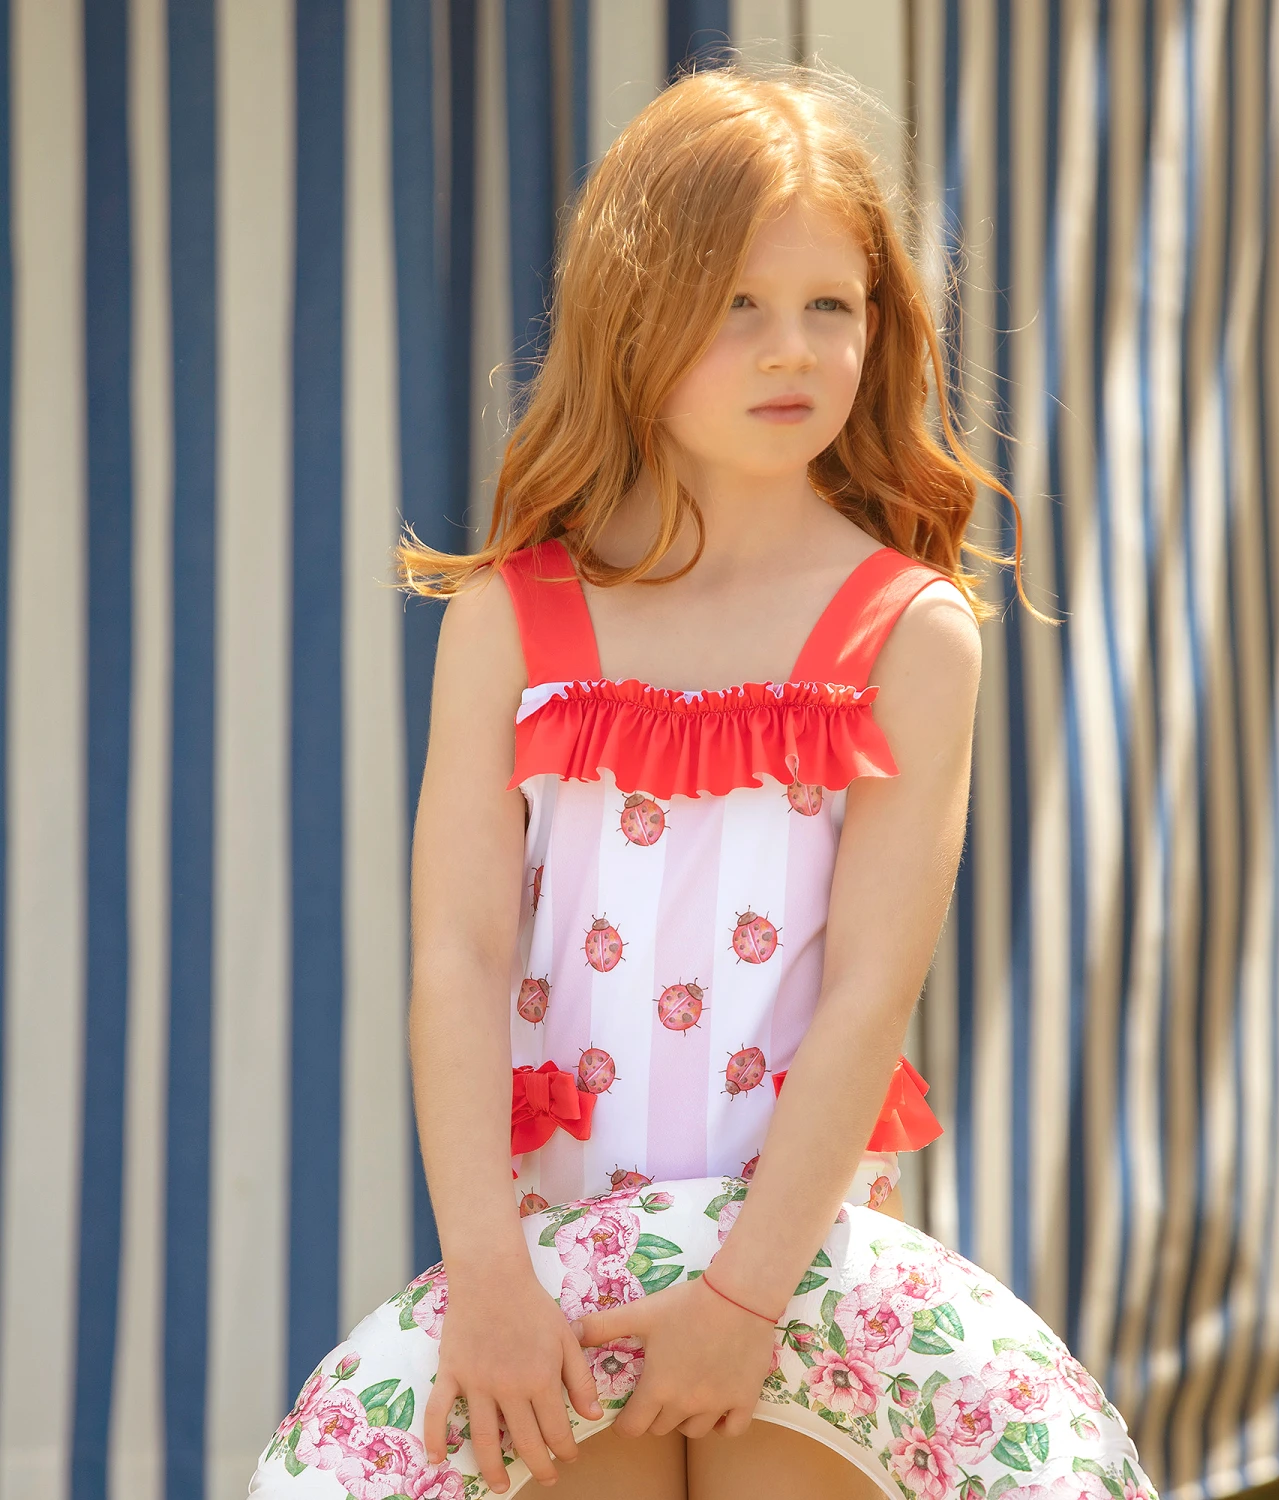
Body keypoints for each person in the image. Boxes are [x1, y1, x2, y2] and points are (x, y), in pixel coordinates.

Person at [247, 64, 1158, 1500]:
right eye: (736, 302)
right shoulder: (511, 620)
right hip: (548, 1275)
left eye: (830, 305)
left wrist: (744, 1298)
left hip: (797, 1277)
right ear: (636, 310)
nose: (790, 349)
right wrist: (486, 1270)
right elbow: (459, 954)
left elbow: (869, 991)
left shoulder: (907, 633)